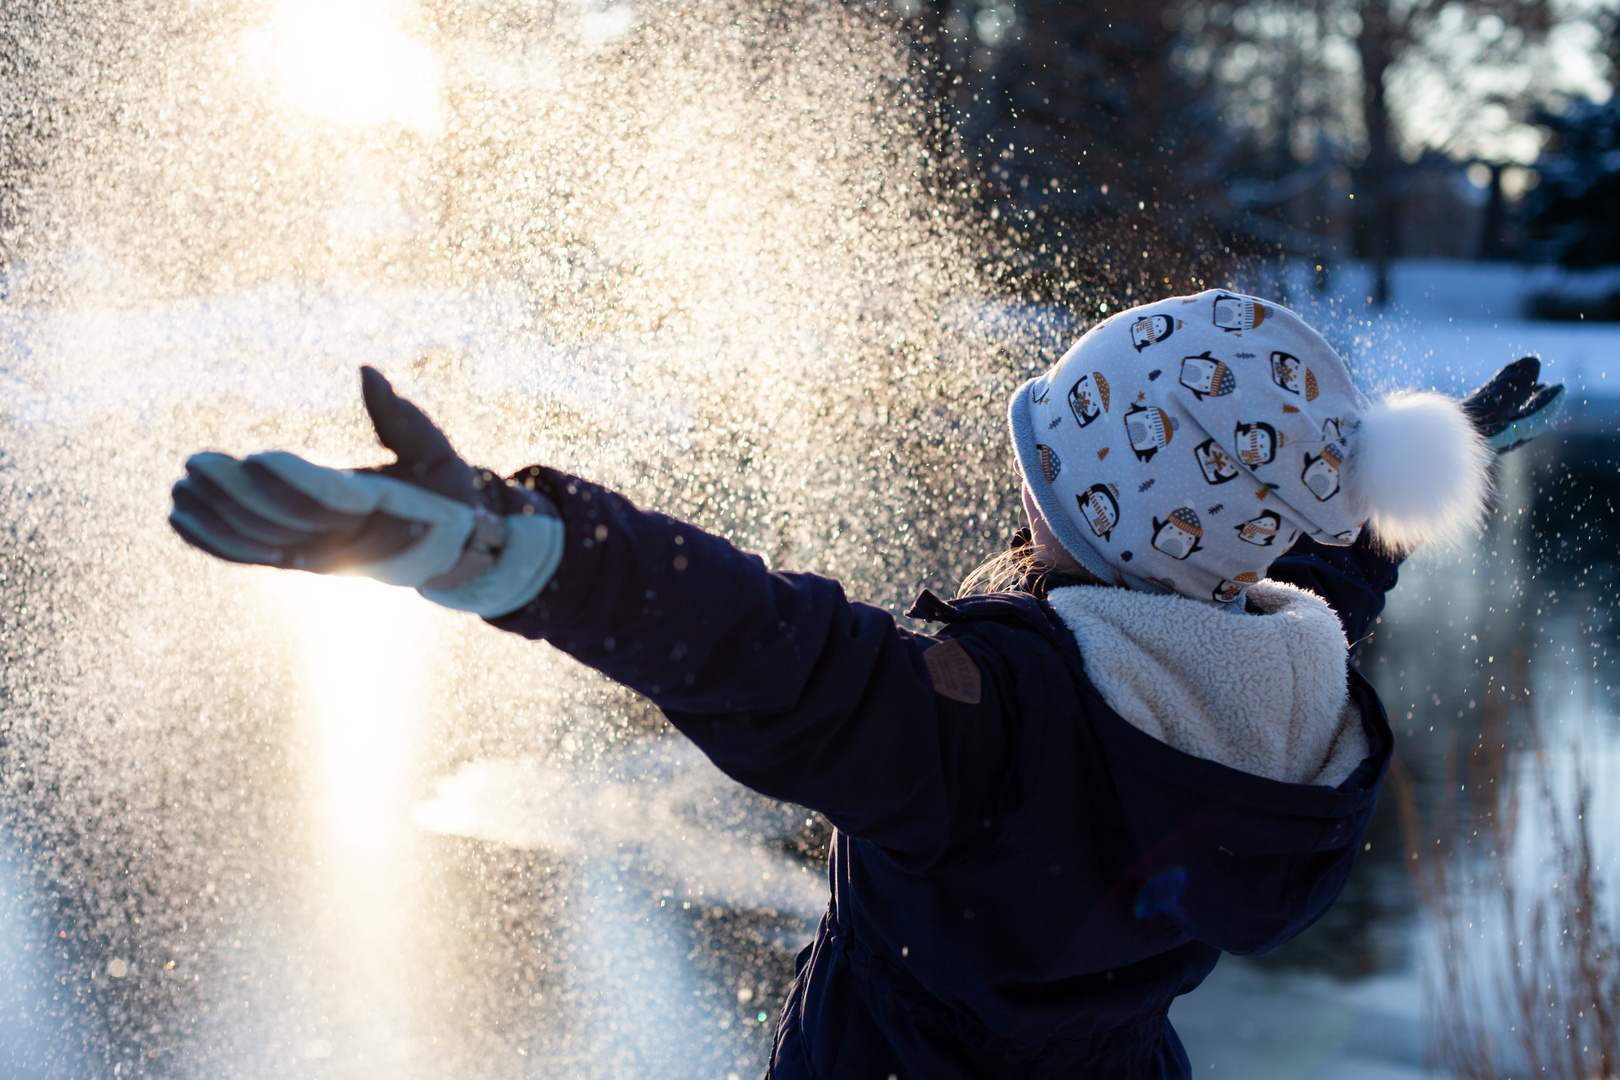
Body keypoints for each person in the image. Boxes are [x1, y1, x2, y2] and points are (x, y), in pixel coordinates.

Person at [168, 290, 1564, 1079]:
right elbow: (1310, 597)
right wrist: (1368, 520)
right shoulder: (1281, 716)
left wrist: (513, 546)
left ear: (1093, 512)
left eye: (1048, 473)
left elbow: (764, 650)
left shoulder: (987, 731)